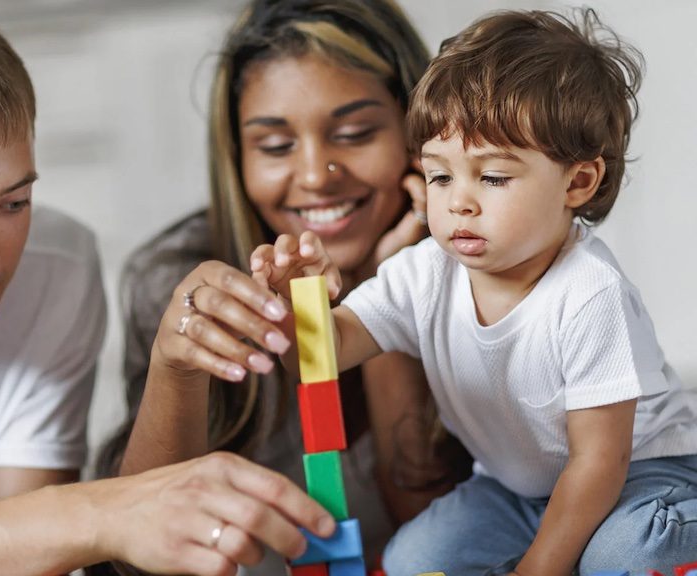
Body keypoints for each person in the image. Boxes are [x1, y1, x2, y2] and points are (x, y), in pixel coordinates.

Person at [249, 8, 697, 576]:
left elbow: (597, 465)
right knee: (414, 561)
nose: (459, 201)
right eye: (440, 176)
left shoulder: (589, 293)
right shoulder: (425, 273)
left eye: (492, 177)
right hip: (515, 490)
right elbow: (323, 355)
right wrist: (297, 305)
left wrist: (539, 567)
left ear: (578, 182)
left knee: (624, 553)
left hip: (640, 475)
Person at [0, 1, 335, 575]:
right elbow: (44, 528)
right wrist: (106, 512)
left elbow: (18, 555)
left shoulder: (58, 267)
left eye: (14, 203)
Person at [94, 0, 473, 573]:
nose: (317, 175)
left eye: (354, 133)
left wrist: (385, 288)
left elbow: (435, 533)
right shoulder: (182, 283)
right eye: (275, 146)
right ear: (237, 157)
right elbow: (135, 561)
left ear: (419, 131)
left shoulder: (485, 271)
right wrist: (177, 367)